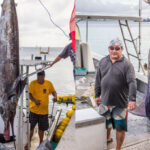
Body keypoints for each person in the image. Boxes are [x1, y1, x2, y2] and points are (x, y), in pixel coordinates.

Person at [95, 38, 136, 150]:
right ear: (108, 49)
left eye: (117, 48)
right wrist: (96, 95)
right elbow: (98, 79)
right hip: (105, 101)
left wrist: (132, 99)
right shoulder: (103, 61)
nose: (114, 51)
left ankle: (118, 148)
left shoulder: (127, 65)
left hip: (120, 103)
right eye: (111, 48)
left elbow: (132, 82)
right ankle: (108, 138)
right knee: (105, 123)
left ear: (121, 49)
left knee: (120, 128)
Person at [25, 71, 57, 149]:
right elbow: (29, 94)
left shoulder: (48, 83)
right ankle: (28, 143)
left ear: (44, 76)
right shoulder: (32, 83)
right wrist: (35, 100)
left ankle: (40, 143)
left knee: (41, 129)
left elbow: (53, 92)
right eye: (38, 77)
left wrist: (55, 97)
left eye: (40, 77)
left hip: (44, 112)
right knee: (31, 128)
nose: (39, 79)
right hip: (33, 111)